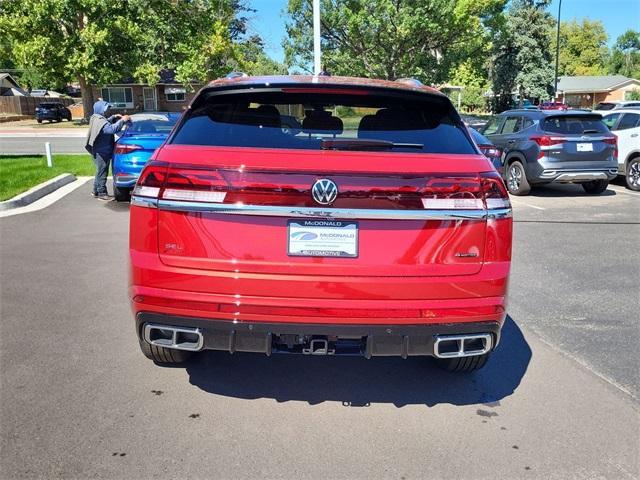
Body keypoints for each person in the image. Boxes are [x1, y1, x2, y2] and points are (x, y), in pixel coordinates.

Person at [85, 100, 130, 200]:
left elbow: (105, 122)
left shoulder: (96, 117)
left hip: (99, 149)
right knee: (102, 172)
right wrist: (123, 120)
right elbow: (111, 129)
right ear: (100, 109)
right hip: (101, 151)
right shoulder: (100, 120)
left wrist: (113, 117)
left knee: (99, 171)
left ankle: (95, 191)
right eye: (105, 109)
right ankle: (102, 193)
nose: (107, 111)